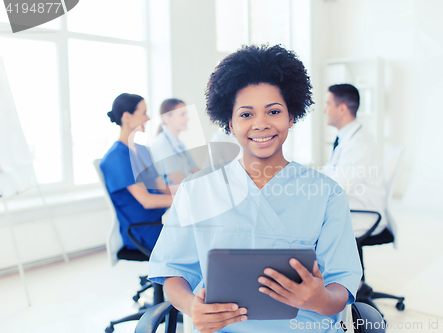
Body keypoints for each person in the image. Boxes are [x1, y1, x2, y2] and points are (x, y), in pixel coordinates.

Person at [148, 45, 362, 333]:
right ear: (230, 122)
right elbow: (173, 271)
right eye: (246, 115)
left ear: (291, 117)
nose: (260, 124)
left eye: (273, 111)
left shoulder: (326, 194)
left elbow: (341, 286)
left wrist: (321, 299)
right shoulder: (196, 190)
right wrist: (191, 307)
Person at [100, 93, 175, 251]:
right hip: (142, 231)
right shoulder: (116, 157)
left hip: (158, 222)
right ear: (127, 117)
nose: (148, 118)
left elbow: (163, 188)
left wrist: (191, 191)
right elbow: (146, 201)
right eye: (143, 113)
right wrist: (183, 200)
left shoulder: (142, 151)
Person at [320, 84, 387, 238]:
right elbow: (329, 173)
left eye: (328, 104)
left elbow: (337, 187)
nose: (325, 110)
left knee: (307, 229)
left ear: (342, 109)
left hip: (362, 215)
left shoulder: (359, 144)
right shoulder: (346, 139)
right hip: (350, 209)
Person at [150, 98, 200, 185]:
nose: (187, 118)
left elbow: (196, 170)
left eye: (186, 114)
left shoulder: (180, 144)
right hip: (169, 195)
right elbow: (177, 179)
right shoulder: (161, 144)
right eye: (182, 114)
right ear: (167, 118)